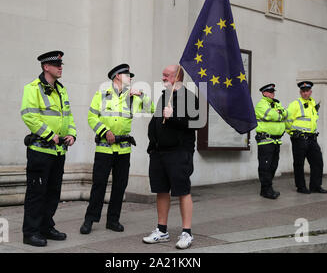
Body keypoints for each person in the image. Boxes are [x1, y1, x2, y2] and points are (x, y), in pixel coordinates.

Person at [80, 64, 155, 234]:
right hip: (104, 149)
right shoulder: (102, 95)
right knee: (99, 185)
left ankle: (113, 220)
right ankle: (89, 220)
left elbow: (152, 109)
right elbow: (91, 117)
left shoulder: (133, 97)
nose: (130, 78)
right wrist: (104, 131)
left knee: (120, 186)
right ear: (117, 76)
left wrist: (141, 95)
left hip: (123, 150)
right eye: (127, 75)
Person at [20, 50, 77, 247]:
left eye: (61, 64)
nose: (61, 67)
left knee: (53, 192)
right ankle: (31, 232)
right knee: (37, 193)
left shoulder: (62, 90)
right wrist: (48, 134)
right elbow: (28, 115)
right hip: (40, 151)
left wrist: (71, 134)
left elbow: (68, 116)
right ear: (46, 67)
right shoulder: (32, 88)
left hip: (58, 151)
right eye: (56, 64)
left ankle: (46, 226)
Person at [142, 65, 199, 250]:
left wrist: (173, 117)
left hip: (179, 152)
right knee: (161, 190)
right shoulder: (164, 96)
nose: (163, 77)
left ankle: (187, 232)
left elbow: (195, 122)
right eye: (163, 74)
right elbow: (156, 121)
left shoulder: (189, 97)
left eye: (166, 75)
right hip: (159, 153)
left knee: (182, 191)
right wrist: (152, 146)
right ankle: (162, 230)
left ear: (177, 76)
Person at [286, 81, 327, 194]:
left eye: (307, 91)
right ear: (300, 92)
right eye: (303, 91)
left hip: (312, 138)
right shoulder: (295, 104)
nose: (305, 93)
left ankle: (315, 186)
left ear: (311, 92)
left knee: (318, 162)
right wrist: (292, 133)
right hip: (299, 138)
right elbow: (287, 121)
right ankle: (301, 187)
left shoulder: (313, 103)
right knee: (299, 163)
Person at [254, 83, 288, 199]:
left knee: (274, 165)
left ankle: (267, 188)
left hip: (276, 141)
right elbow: (273, 116)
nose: (272, 94)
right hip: (265, 140)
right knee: (265, 166)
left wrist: (280, 112)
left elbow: (286, 114)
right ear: (264, 93)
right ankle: (266, 190)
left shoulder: (276, 104)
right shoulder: (261, 104)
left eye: (273, 92)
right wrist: (279, 113)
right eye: (270, 92)